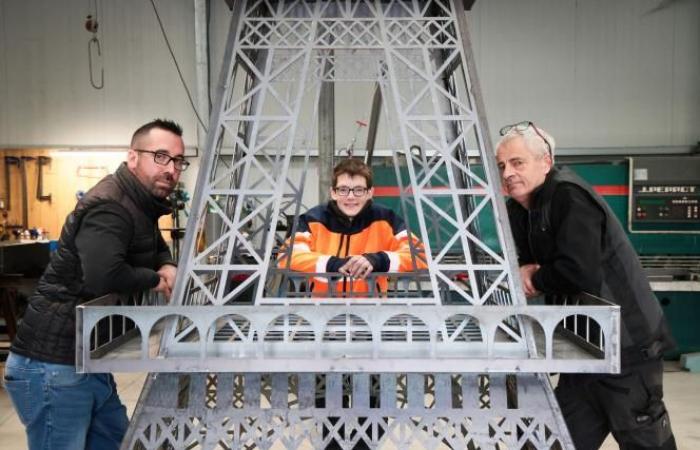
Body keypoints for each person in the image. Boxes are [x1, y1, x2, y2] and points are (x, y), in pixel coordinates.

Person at [3, 119, 189, 450]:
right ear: (133, 157)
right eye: (160, 156)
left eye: (178, 161)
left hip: (89, 358)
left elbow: (154, 248)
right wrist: (157, 278)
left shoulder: (141, 204)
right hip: (54, 364)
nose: (171, 169)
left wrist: (167, 264)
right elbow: (104, 275)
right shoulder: (111, 205)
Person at [495, 121, 677, 450]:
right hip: (581, 351)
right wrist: (530, 273)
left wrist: (535, 277)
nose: (507, 173)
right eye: (502, 165)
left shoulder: (568, 196)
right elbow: (523, 265)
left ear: (545, 162)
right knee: (548, 442)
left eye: (517, 163)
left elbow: (579, 273)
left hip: (626, 352)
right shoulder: (520, 210)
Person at [280, 158, 426, 296]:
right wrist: (331, 264)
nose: (350, 197)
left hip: (373, 313)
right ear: (333, 193)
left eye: (358, 190)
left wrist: (378, 260)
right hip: (322, 312)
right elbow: (286, 256)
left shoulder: (386, 219)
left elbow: (421, 256)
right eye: (343, 189)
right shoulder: (312, 220)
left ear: (370, 193)